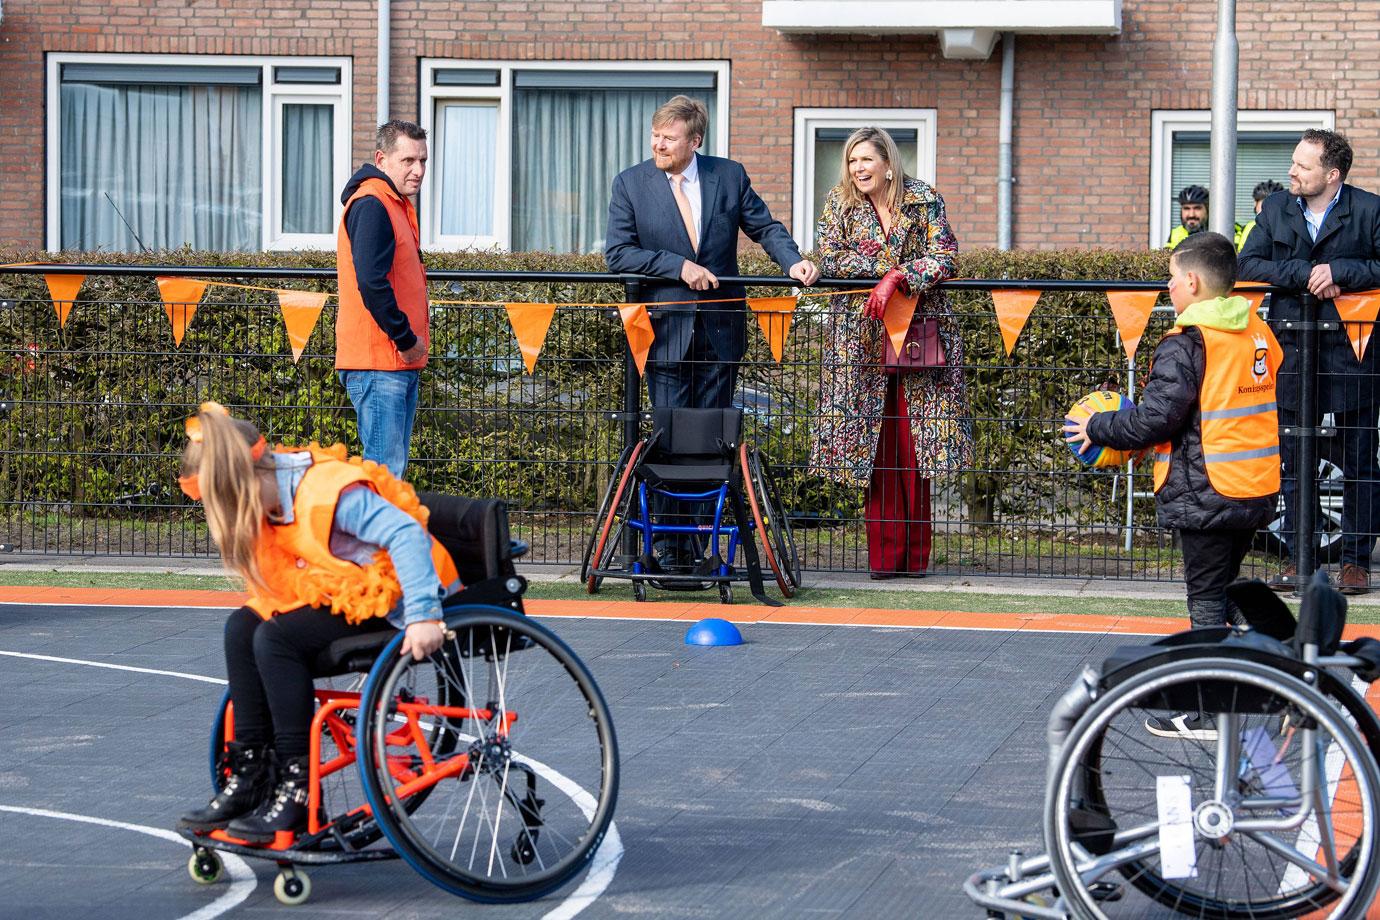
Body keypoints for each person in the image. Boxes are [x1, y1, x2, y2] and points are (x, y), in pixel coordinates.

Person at [176, 402, 460, 841]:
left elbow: (404, 533)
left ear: (250, 479)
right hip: (344, 591)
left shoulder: (327, 491)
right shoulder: (272, 500)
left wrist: (425, 616)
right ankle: (251, 775)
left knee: (276, 640)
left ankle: (298, 789)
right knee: (241, 628)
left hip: (402, 599)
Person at [1066, 231, 1281, 650]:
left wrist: (1096, 426)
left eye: (1173, 277)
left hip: (1208, 491)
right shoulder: (1258, 331)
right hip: (1254, 485)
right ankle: (1287, 662)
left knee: (1205, 604)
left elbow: (1156, 420)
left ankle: (1203, 706)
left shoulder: (1185, 343)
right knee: (1227, 591)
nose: (1169, 286)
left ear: (1194, 284)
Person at [808, 126, 973, 579]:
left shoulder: (924, 198)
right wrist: (889, 271)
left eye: (866, 159)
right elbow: (831, 257)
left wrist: (897, 277)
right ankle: (884, 559)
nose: (858, 168)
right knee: (875, 445)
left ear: (887, 163)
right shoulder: (837, 204)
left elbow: (946, 254)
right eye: (851, 161)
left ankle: (915, 559)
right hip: (861, 336)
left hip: (920, 330)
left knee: (913, 443)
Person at [605, 94, 819, 411]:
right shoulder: (629, 183)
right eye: (655, 135)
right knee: (669, 437)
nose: (658, 145)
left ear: (695, 141)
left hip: (721, 329)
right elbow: (618, 253)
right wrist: (679, 267)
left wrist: (793, 261)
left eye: (669, 138)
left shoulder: (730, 176)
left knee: (714, 438)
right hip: (664, 332)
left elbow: (765, 227)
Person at [1239, 129, 1380, 595]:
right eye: (1294, 162)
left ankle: (1356, 561)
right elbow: (1248, 264)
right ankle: (1301, 560)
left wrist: (1341, 272)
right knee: (1294, 459)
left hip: (1355, 352)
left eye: (1302, 165)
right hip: (1292, 353)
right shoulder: (1276, 208)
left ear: (1332, 174)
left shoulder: (1369, 209)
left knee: (1359, 456)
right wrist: (1307, 275)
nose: (1291, 171)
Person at [335, 120, 432, 478]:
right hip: (381, 361)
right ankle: (374, 537)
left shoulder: (394, 204)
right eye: (408, 160)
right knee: (385, 478)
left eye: (423, 160)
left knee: (389, 475)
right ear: (382, 158)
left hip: (393, 362)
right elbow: (372, 284)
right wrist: (405, 339)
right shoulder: (374, 204)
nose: (418, 170)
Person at [1235, 179, 1285, 252]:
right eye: (1264, 205)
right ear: (1256, 204)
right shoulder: (1247, 229)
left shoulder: (1289, 229)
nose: (1268, 210)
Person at [1165, 185, 1212, 250]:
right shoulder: (1175, 234)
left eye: (1197, 208)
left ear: (1207, 209)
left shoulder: (1218, 230)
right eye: (1186, 208)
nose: (1191, 215)